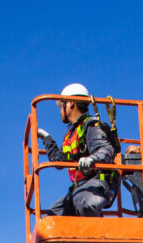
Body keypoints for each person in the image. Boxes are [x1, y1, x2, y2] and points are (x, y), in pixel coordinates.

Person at [36, 83, 116, 217]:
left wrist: (91, 159)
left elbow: (106, 149)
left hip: (99, 183)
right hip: (80, 187)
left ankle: (98, 235)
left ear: (71, 104)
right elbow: (59, 160)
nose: (60, 111)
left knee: (84, 203)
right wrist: (46, 138)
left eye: (62, 105)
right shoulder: (71, 133)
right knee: (51, 217)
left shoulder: (90, 125)